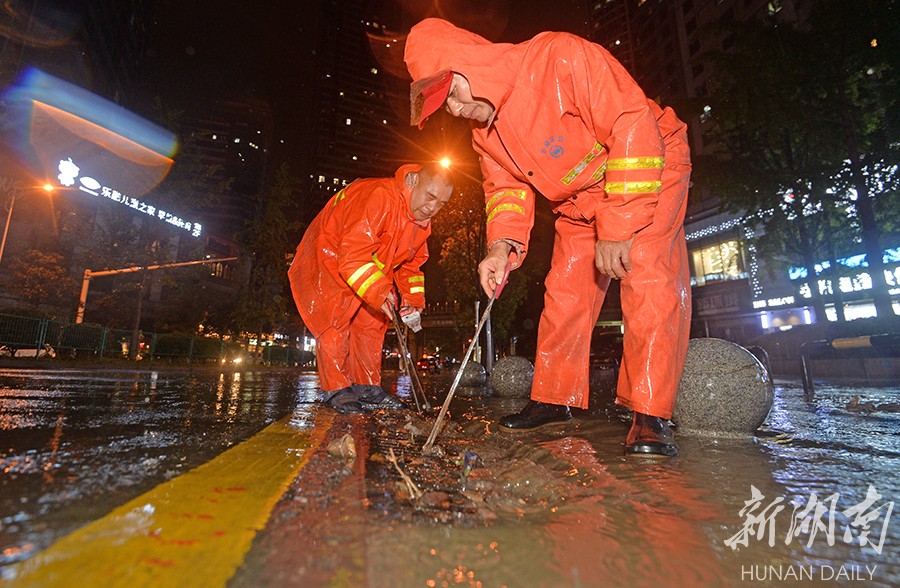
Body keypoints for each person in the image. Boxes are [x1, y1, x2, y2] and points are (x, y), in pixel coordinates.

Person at [404, 18, 691, 456]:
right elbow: (505, 192)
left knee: (646, 274)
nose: (456, 112)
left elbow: (631, 121)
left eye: (454, 96)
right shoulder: (485, 136)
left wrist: (620, 223)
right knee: (564, 292)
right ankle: (555, 398)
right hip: (579, 199)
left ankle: (651, 415)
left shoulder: (558, 56)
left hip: (646, 167)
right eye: (446, 108)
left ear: (470, 67)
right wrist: (500, 248)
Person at [288, 163, 453, 414]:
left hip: (365, 263)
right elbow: (353, 254)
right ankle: (336, 389)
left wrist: (412, 300)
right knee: (336, 316)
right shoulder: (379, 196)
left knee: (373, 321)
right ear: (411, 181)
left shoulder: (420, 222)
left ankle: (366, 387)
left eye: (441, 203)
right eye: (430, 197)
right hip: (329, 255)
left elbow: (411, 265)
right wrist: (378, 288)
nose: (433, 208)